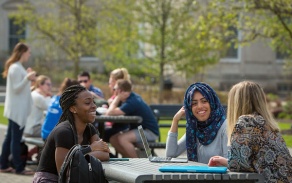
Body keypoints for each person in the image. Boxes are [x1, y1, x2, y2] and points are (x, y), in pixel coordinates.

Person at [208, 81, 292, 182]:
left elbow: (237, 164)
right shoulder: (267, 125)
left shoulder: (246, 122)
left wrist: (225, 161)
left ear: (236, 103)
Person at [33, 85, 110, 182]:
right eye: (87, 103)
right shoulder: (64, 132)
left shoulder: (89, 129)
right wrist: (90, 149)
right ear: (73, 108)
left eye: (93, 102)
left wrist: (79, 158)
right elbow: (64, 171)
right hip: (49, 179)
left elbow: (105, 154)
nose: (94, 106)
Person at [165, 82, 228, 164]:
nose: (199, 106)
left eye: (204, 101)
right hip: (197, 176)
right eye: (194, 103)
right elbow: (170, 154)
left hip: (219, 177)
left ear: (212, 103)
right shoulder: (194, 129)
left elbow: (230, 164)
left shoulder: (225, 128)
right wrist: (175, 120)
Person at [0, 42, 36, 175]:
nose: (29, 54)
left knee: (10, 138)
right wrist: (27, 77)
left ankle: (3, 164)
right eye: (28, 52)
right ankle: (19, 168)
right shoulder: (15, 67)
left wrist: (28, 78)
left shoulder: (18, 67)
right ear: (22, 52)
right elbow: (16, 88)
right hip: (17, 111)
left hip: (16, 109)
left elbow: (21, 89)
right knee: (15, 139)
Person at [105, 79, 159, 158]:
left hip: (149, 132)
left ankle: (136, 163)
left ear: (119, 90)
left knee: (123, 139)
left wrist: (116, 98)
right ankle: (130, 160)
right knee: (113, 139)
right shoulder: (130, 97)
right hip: (140, 129)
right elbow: (112, 112)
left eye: (114, 89)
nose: (113, 91)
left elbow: (110, 112)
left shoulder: (132, 101)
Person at [104, 67, 131, 142]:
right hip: (127, 128)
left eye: (110, 82)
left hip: (132, 129)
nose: (109, 85)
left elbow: (110, 113)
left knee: (98, 136)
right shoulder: (124, 95)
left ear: (115, 82)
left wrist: (111, 104)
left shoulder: (125, 97)